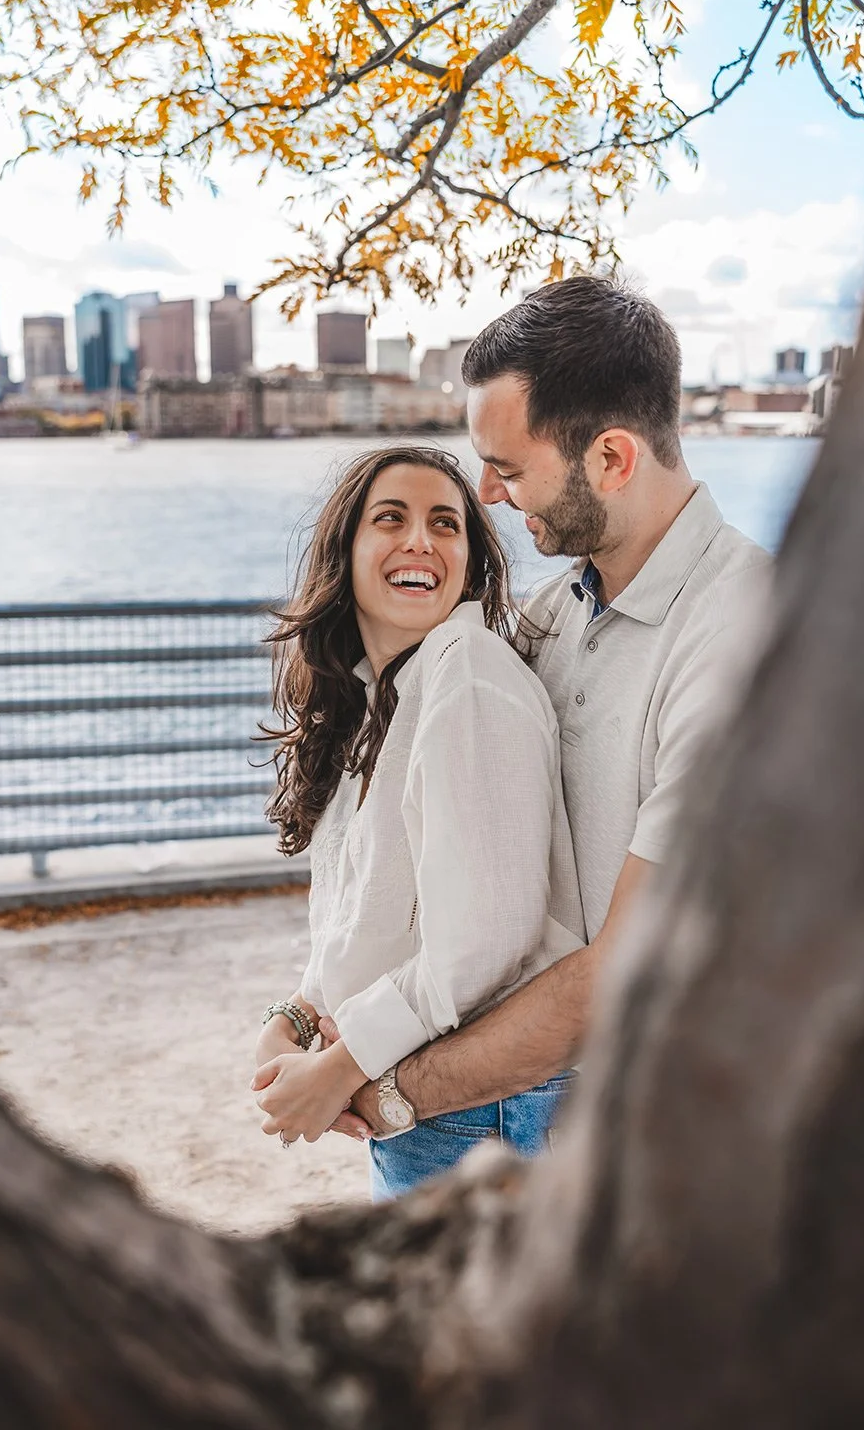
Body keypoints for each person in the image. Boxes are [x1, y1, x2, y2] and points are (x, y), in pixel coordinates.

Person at [300, 277, 772, 1142]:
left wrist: (391, 1094)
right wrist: (303, 1017)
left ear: (613, 459)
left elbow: (628, 968)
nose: (486, 494)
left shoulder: (745, 638)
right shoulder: (549, 616)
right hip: (506, 1105)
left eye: (509, 468)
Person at [248, 444, 587, 1198]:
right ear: (348, 548)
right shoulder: (380, 697)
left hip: (487, 1111)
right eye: (390, 519)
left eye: (446, 524)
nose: (420, 542)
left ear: (469, 560)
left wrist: (336, 1070)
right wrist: (298, 1017)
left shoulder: (466, 671)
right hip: (436, 1099)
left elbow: (484, 942)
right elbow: (366, 913)